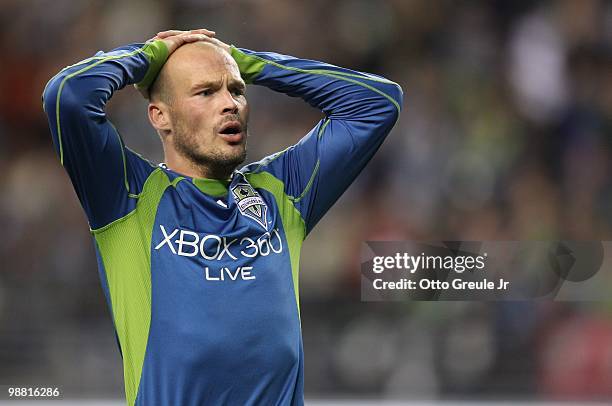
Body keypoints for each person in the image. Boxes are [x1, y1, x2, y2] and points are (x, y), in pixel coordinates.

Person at [42, 28, 402, 405]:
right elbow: (68, 94)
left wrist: (247, 61)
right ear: (160, 116)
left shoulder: (282, 191)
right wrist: (150, 55)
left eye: (237, 90)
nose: (230, 103)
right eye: (206, 92)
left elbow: (378, 101)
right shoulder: (125, 195)